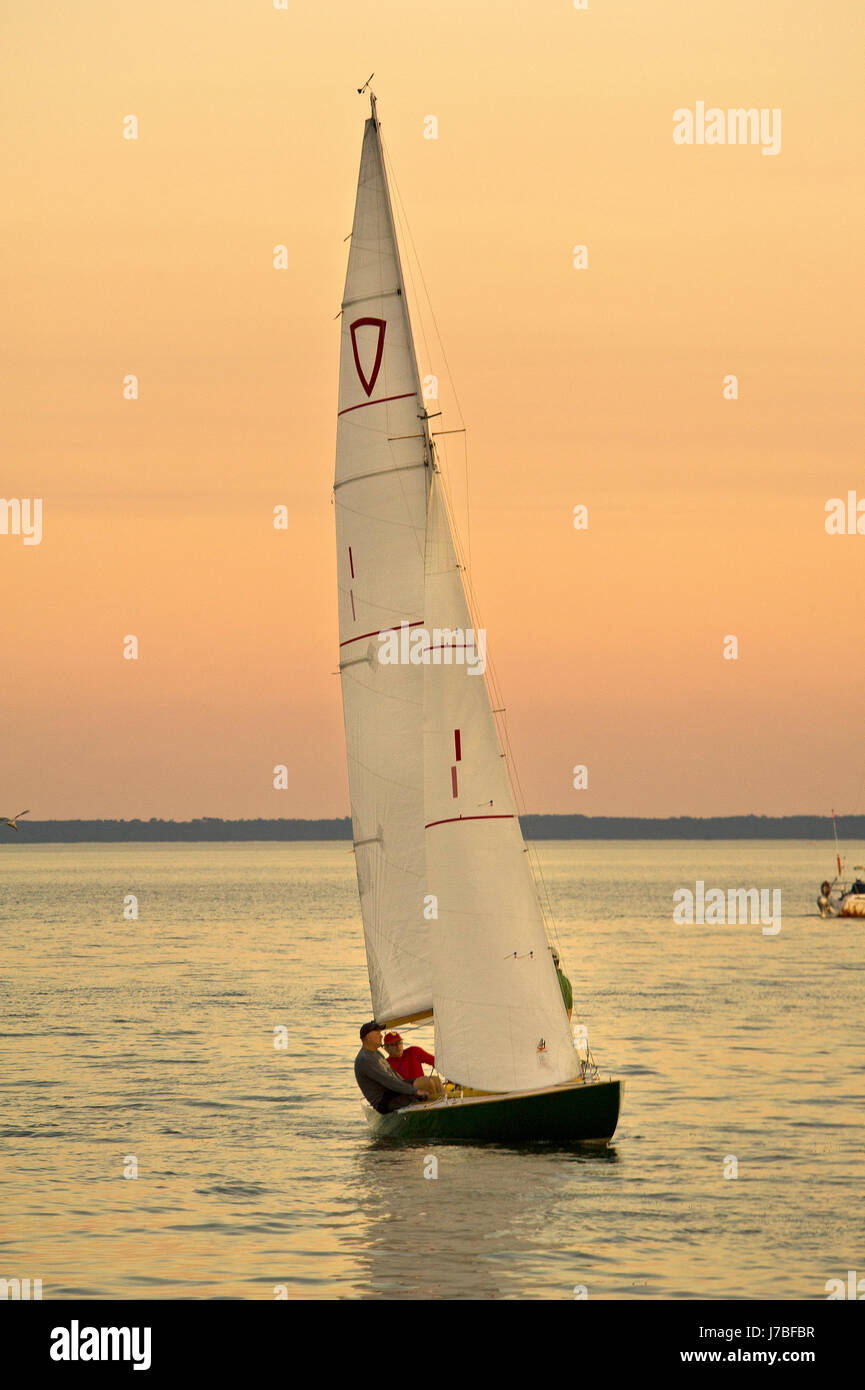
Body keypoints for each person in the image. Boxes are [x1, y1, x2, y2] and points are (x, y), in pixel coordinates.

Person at [353, 1021, 427, 1114]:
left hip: (392, 1092)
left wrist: (409, 1086)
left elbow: (393, 1074)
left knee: (431, 1081)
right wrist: (414, 1091)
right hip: (384, 1101)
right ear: (368, 1037)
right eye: (378, 1033)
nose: (381, 1036)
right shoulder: (365, 1059)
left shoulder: (375, 1052)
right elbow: (388, 1081)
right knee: (424, 1085)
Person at [383, 1032, 444, 1098]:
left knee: (436, 1079)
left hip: (421, 1085)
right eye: (393, 1044)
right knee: (426, 1081)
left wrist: (451, 1079)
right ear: (386, 1048)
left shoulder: (413, 1051)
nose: (398, 1046)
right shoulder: (385, 1064)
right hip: (406, 1092)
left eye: (400, 1042)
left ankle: (445, 1102)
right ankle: (435, 1103)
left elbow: (436, 1062)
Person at [551, 948, 573, 1019]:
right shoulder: (566, 982)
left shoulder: (542, 979)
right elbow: (569, 1010)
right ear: (558, 962)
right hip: (560, 1027)